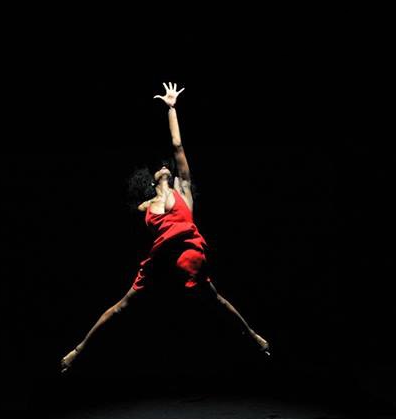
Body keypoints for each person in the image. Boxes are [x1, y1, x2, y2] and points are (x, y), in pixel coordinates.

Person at [60, 82, 270, 373]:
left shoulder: (183, 192)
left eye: (167, 167)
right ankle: (79, 350)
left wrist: (171, 108)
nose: (164, 167)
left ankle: (253, 338)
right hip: (159, 260)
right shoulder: (145, 206)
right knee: (121, 307)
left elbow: (177, 146)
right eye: (159, 169)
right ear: (150, 181)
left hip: (187, 255)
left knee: (216, 300)